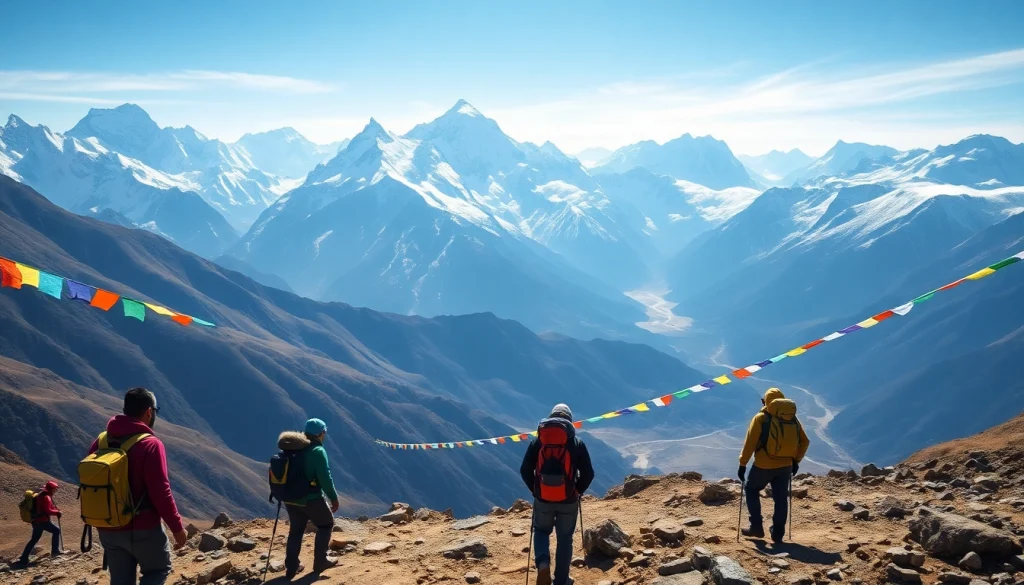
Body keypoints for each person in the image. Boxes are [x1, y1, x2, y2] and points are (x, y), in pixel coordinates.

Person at [89, 388, 188, 585]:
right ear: (149, 412)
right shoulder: (150, 444)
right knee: (157, 571)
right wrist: (177, 528)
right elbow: (161, 491)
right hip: (143, 528)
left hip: (108, 528)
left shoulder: (101, 441)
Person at [520, 404, 595, 585]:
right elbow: (589, 473)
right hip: (568, 499)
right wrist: (577, 490)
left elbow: (524, 470)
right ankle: (561, 580)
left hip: (543, 498)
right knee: (565, 539)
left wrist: (535, 489)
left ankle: (543, 564)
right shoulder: (576, 443)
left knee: (541, 531)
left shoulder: (538, 442)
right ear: (569, 421)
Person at [738, 388, 810, 542]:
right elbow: (805, 441)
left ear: (765, 402)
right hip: (786, 466)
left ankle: (756, 527)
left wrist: (742, 464)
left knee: (751, 489)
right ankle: (778, 534)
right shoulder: (792, 419)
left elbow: (750, 443)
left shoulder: (761, 418)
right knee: (781, 498)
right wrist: (796, 460)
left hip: (764, 465)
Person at [279, 418, 340, 580]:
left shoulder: (293, 448)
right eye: (324, 432)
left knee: (296, 531)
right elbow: (325, 478)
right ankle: (320, 562)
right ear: (320, 434)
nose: (325, 435)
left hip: (290, 498)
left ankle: (292, 568)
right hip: (311, 498)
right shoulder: (317, 451)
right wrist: (333, 498)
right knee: (326, 525)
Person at [16, 481, 64, 565]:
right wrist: (57, 512)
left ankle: (24, 558)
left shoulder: (42, 495)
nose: (55, 490)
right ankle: (54, 551)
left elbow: (48, 508)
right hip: (41, 521)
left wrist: (56, 510)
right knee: (52, 532)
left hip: (38, 521)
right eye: (55, 489)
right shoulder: (46, 497)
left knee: (38, 538)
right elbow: (48, 510)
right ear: (51, 489)